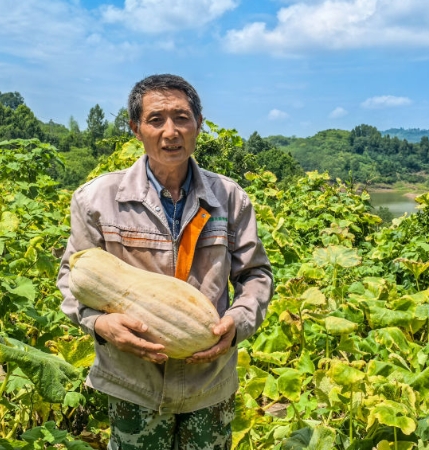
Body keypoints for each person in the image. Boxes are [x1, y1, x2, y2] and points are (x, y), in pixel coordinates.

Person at [57, 74, 273, 449]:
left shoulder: (230, 198)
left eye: (182, 118)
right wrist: (100, 323)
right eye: (156, 120)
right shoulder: (96, 199)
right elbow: (71, 278)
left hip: (209, 381)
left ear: (198, 124)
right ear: (135, 129)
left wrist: (236, 324)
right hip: (134, 384)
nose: (170, 132)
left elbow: (256, 275)